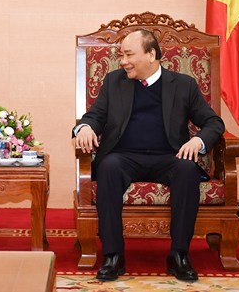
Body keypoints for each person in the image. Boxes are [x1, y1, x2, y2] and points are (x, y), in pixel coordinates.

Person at [73, 29, 224, 282]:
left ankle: (178, 255)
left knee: (187, 170)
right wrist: (85, 127)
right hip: (123, 157)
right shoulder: (114, 81)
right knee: (108, 167)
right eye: (121, 55)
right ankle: (113, 256)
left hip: (168, 157)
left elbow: (213, 123)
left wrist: (198, 140)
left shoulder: (183, 84)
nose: (123, 61)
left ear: (151, 54)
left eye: (129, 54)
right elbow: (94, 116)